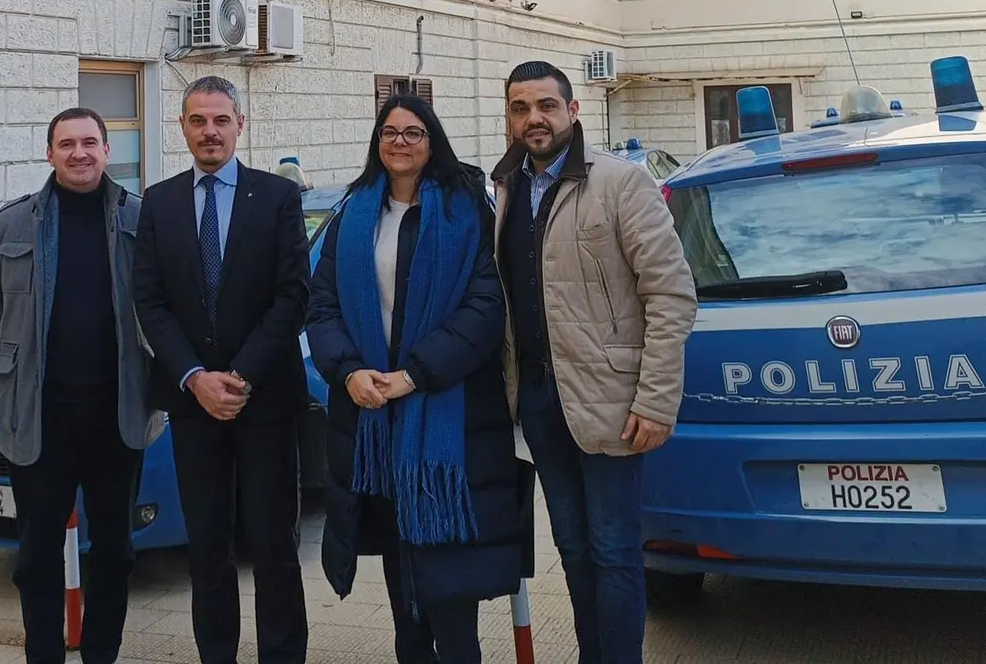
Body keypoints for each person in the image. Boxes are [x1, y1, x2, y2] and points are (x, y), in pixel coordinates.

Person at [490, 61, 698, 664]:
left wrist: (655, 400)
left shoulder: (620, 183)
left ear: (572, 111)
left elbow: (671, 294)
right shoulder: (504, 189)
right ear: (509, 117)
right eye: (521, 108)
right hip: (539, 400)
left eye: (546, 106)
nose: (534, 119)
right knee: (574, 549)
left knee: (613, 550)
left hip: (612, 402)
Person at [307, 94, 526, 664]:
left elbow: (484, 308)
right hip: (374, 421)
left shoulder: (466, 211)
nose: (399, 142)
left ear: (433, 142)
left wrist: (414, 375)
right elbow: (322, 305)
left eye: (413, 132)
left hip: (450, 421)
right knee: (403, 596)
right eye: (389, 132)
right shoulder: (354, 212)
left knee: (451, 599)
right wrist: (348, 372)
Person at [132, 76, 311, 664]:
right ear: (182, 127)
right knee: (207, 547)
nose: (210, 131)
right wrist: (195, 377)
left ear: (240, 125)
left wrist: (241, 376)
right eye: (198, 120)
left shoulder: (278, 197)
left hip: (265, 400)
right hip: (193, 403)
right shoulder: (158, 202)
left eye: (220, 120)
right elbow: (149, 301)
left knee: (273, 544)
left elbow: (293, 296)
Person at [0, 107, 161, 664]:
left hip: (117, 414)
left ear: (107, 150)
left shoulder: (140, 219)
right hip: (39, 418)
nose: (79, 153)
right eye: (67, 144)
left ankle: (101, 653)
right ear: (49, 153)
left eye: (89, 142)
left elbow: (161, 305)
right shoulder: (11, 225)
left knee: (115, 552)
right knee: (36, 556)